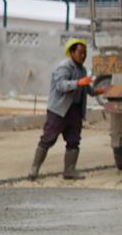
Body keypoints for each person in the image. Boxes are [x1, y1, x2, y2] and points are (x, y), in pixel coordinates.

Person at [28, 38, 106, 180]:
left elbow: (87, 89)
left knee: (74, 140)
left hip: (74, 110)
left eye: (85, 53)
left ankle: (69, 170)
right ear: (72, 52)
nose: (83, 55)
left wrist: (100, 91)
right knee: (48, 139)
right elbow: (61, 86)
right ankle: (34, 169)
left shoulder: (82, 70)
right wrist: (78, 83)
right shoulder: (64, 67)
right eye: (80, 52)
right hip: (59, 110)